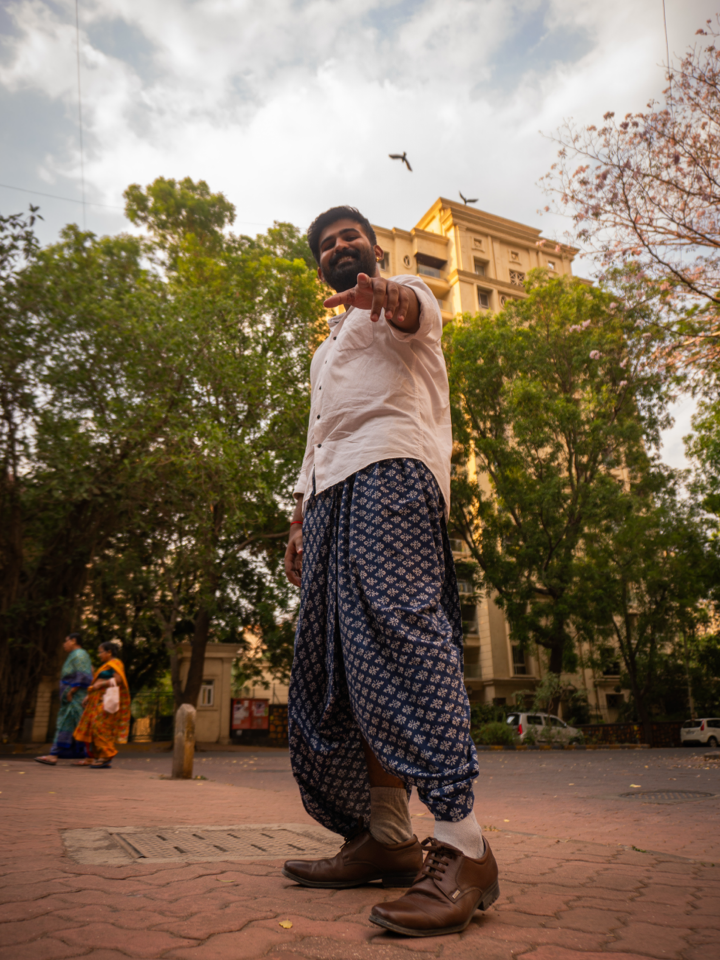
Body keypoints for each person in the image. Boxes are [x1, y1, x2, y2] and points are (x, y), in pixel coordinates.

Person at [281, 206, 499, 937]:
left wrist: (385, 296)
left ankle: (464, 847)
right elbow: (317, 439)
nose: (339, 247)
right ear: (318, 265)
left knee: (398, 633)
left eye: (350, 237)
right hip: (332, 495)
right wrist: (299, 518)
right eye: (326, 244)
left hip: (394, 470)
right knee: (342, 661)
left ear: (373, 248)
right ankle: (387, 836)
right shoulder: (323, 351)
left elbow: (407, 311)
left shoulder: (409, 293)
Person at [34, 633, 94, 765]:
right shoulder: (75, 655)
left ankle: (55, 755)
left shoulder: (79, 654)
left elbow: (83, 675)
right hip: (71, 699)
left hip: (75, 698)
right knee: (71, 726)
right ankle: (58, 754)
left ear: (73, 641)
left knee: (75, 725)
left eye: (66, 641)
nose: (64, 644)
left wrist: (72, 691)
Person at [73, 640, 131, 768]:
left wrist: (100, 684)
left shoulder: (116, 663)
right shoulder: (105, 665)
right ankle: (99, 756)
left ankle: (106, 756)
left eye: (100, 652)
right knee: (95, 726)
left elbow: (119, 680)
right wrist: (89, 695)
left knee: (100, 726)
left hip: (106, 701)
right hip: (97, 699)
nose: (99, 655)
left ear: (109, 652)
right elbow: (98, 681)